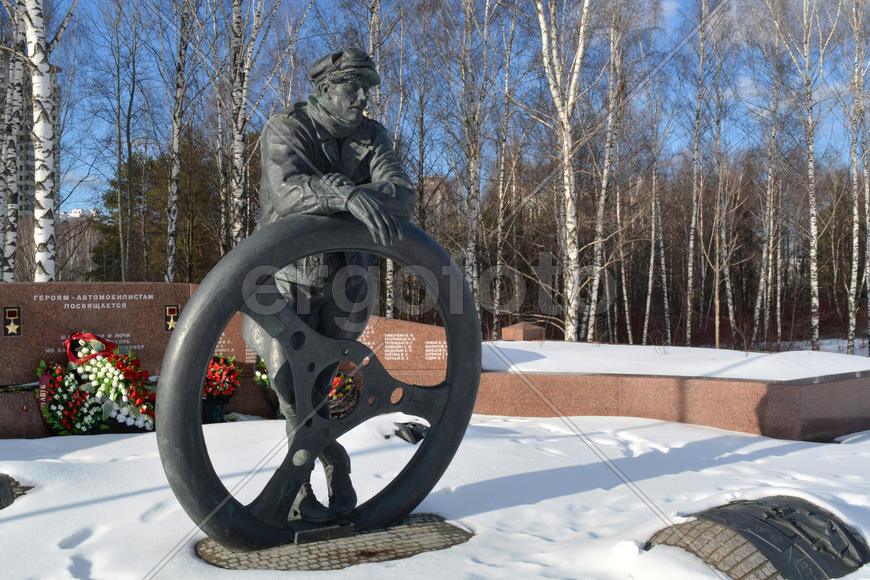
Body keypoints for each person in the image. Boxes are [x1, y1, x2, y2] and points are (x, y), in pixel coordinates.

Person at [242, 48, 414, 523]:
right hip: (285, 285)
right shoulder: (286, 128)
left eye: (367, 88)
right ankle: (321, 475)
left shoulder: (372, 137)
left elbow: (403, 195)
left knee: (317, 390)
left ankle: (319, 478)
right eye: (352, 87)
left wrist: (368, 196)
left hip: (344, 288)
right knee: (290, 389)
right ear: (323, 89)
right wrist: (349, 194)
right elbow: (288, 189)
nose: (362, 97)